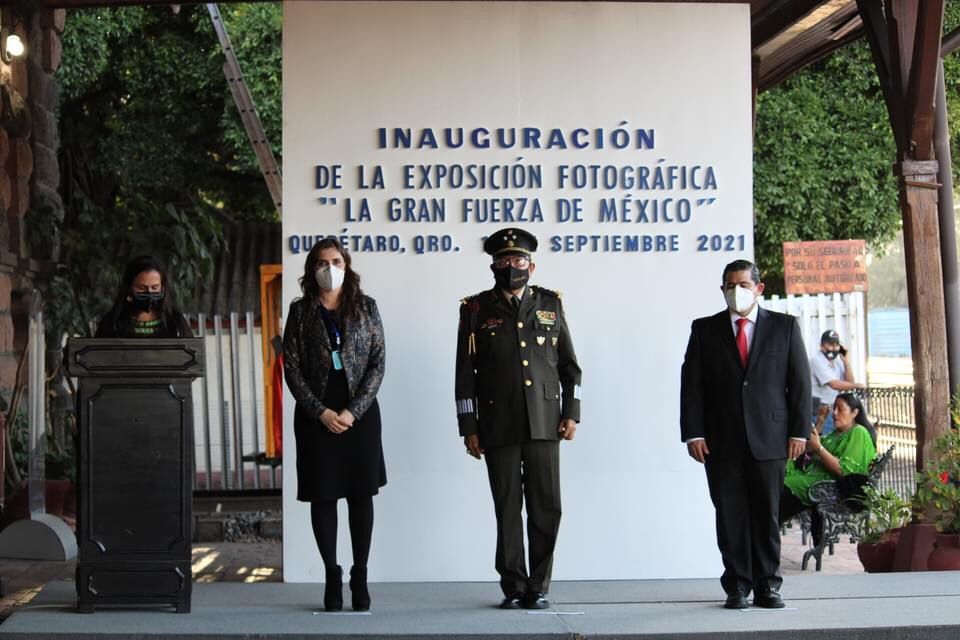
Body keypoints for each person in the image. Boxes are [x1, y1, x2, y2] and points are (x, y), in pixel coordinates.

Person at [455, 227, 581, 610]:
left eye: (519, 260)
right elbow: (465, 374)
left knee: (547, 505)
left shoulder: (549, 304)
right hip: (498, 423)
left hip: (545, 421)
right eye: (505, 260)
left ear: (532, 264)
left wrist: (571, 413)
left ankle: (538, 585)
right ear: (493, 265)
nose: (512, 266)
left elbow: (570, 367)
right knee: (507, 506)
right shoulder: (475, 309)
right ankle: (513, 585)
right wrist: (469, 427)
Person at [680, 259, 811, 610]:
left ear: (759, 288)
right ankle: (737, 585)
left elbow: (799, 384)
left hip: (770, 438)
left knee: (767, 513)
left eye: (743, 284)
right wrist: (693, 433)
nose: (736, 291)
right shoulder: (704, 330)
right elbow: (692, 386)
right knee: (730, 514)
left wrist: (800, 431)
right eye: (729, 285)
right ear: (722, 290)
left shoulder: (784, 327)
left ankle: (768, 584)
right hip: (721, 441)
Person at [283, 238, 386, 612]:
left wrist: (353, 411)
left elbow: (378, 363)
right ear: (312, 269)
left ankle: (360, 575)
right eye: (322, 262)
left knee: (361, 494)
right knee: (323, 495)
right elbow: (290, 367)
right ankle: (331, 574)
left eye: (336, 261)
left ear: (347, 264)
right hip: (317, 416)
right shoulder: (301, 311)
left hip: (359, 414)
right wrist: (320, 411)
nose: (330, 268)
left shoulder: (366, 307)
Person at [780, 393, 877, 524]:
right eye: (834, 408)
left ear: (854, 413)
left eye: (840, 409)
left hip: (827, 485)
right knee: (773, 483)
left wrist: (819, 448)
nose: (835, 413)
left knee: (778, 489)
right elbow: (809, 447)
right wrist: (820, 421)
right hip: (812, 478)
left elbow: (844, 470)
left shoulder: (859, 432)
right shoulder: (836, 433)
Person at [95, 255, 191, 338]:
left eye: (154, 287)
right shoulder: (112, 323)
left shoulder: (175, 322)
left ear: (162, 287)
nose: (149, 292)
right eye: (142, 287)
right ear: (128, 287)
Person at [810, 330, 865, 435]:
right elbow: (834, 384)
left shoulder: (837, 362)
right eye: (830, 344)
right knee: (821, 441)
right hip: (819, 411)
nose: (833, 348)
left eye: (836, 345)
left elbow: (849, 381)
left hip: (833, 410)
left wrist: (846, 361)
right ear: (822, 346)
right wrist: (857, 385)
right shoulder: (816, 360)